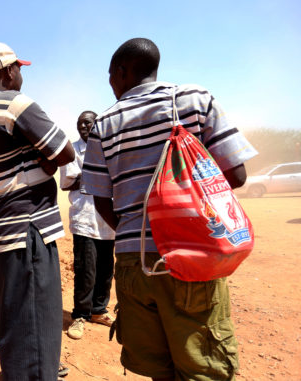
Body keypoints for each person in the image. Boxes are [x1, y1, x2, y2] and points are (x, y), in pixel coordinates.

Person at [82, 38, 258, 381]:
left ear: (121, 71)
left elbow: (102, 199)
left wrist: (137, 230)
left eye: (110, 76)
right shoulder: (195, 98)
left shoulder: (103, 123)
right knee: (204, 368)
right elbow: (236, 174)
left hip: (135, 261)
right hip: (193, 256)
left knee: (157, 369)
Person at [0, 42, 75, 380]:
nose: (21, 74)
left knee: (15, 326)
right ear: (9, 71)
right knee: (38, 330)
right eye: (19, 68)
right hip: (28, 234)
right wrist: (47, 164)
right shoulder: (14, 104)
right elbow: (65, 151)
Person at [59, 111, 115, 340]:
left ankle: (99, 310)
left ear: (96, 125)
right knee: (85, 270)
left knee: (106, 269)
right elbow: (66, 183)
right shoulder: (72, 151)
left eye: (87, 122)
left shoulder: (110, 148)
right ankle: (80, 315)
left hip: (108, 218)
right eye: (79, 123)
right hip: (85, 218)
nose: (83, 126)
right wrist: (97, 176)